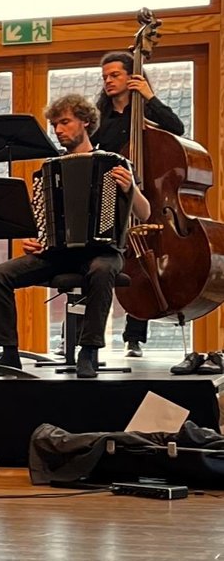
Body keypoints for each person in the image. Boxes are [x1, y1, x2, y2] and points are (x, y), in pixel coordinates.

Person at [0, 94, 146, 380]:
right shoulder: (50, 170)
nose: (58, 130)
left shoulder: (114, 163)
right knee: (0, 274)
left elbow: (145, 214)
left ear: (85, 122)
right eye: (55, 125)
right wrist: (37, 240)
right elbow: (43, 222)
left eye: (64, 122)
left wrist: (130, 187)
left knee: (101, 269)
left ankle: (89, 350)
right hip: (58, 254)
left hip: (103, 250)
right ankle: (9, 353)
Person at [92, 51, 185, 354]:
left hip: (147, 198)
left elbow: (177, 129)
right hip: (112, 197)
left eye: (114, 74)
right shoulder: (100, 119)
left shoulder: (146, 112)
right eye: (105, 76)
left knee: (144, 258)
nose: (108, 81)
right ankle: (84, 336)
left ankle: (134, 337)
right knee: (105, 262)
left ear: (132, 76)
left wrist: (149, 97)